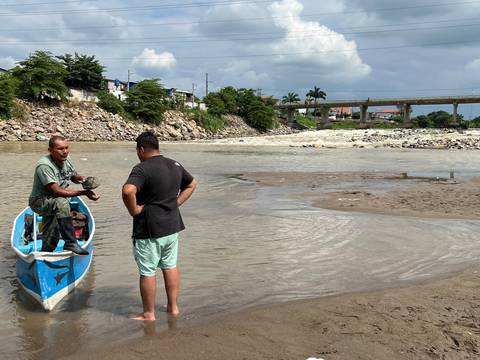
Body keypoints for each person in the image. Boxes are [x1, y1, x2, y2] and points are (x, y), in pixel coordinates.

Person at [122, 131, 196, 321]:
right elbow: (192, 184)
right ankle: (173, 307)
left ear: (141, 149)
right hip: (172, 226)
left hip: (149, 229)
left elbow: (128, 191)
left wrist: (134, 210)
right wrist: (176, 203)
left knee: (147, 271)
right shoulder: (174, 164)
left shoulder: (142, 168)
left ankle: (149, 314)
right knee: (170, 266)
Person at [29, 135, 100, 255]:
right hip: (40, 201)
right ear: (50, 151)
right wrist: (83, 193)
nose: (65, 151)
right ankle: (71, 242)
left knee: (52, 228)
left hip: (55, 200)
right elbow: (55, 191)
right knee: (61, 202)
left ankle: (46, 253)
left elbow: (72, 175)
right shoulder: (44, 165)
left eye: (66, 148)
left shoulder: (67, 159)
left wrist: (81, 179)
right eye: (60, 149)